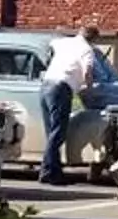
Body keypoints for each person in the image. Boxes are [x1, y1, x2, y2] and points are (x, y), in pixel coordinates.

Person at [37, 27, 102, 187]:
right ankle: (46, 172)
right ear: (93, 39)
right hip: (61, 88)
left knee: (51, 132)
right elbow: (87, 72)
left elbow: (49, 45)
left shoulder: (63, 42)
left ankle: (55, 170)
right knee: (58, 132)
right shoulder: (87, 50)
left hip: (46, 85)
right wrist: (90, 89)